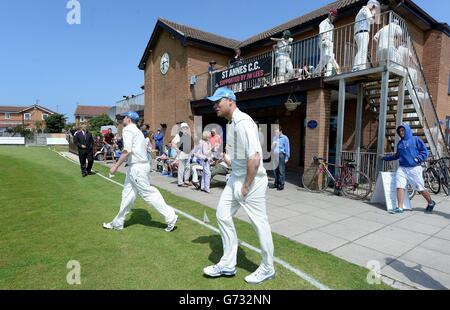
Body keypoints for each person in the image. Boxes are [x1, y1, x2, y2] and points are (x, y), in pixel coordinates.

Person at [203, 87, 275, 284]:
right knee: (222, 215)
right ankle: (227, 264)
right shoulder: (232, 123)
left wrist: (246, 185)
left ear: (230, 101)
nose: (215, 106)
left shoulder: (243, 122)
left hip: (250, 182)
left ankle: (268, 268)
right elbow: (242, 158)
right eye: (214, 102)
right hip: (236, 177)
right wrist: (228, 160)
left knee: (259, 224)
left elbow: (255, 157)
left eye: (218, 101)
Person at [103, 111, 178, 232]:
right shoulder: (137, 131)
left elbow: (127, 150)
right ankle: (117, 222)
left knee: (148, 193)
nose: (123, 119)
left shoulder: (128, 130)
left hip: (137, 168)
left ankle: (171, 217)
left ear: (129, 119)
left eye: (125, 117)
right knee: (127, 195)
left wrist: (115, 166)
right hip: (137, 167)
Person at [381, 124, 436, 214]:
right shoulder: (400, 143)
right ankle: (400, 208)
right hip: (402, 168)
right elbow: (397, 156)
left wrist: (417, 159)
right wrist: (385, 158)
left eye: (403, 130)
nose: (401, 132)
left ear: (407, 130)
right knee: (399, 186)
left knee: (420, 188)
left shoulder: (415, 139)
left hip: (414, 168)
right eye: (400, 131)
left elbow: (424, 151)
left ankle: (431, 203)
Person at [353, 0, 381, 71]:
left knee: (362, 50)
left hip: (359, 33)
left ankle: (360, 67)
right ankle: (357, 67)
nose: (373, 9)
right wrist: (373, 13)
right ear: (371, 5)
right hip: (363, 32)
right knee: (362, 50)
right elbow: (371, 20)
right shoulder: (365, 9)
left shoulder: (362, 10)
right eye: (374, 7)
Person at [315, 9, 340, 77]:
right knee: (325, 58)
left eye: (335, 16)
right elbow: (322, 32)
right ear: (330, 15)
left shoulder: (332, 25)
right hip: (324, 41)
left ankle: (328, 74)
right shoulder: (323, 22)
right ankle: (316, 72)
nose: (334, 18)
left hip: (330, 42)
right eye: (333, 16)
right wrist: (323, 41)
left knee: (330, 58)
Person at [172, 123, 193, 187]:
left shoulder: (188, 135)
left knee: (187, 168)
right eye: (184, 128)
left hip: (188, 153)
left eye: (186, 127)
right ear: (181, 128)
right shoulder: (178, 135)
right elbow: (173, 143)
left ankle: (186, 181)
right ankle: (180, 182)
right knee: (181, 168)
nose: (185, 129)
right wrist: (177, 149)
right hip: (182, 153)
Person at [270, 126, 290, 191]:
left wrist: (287, 158)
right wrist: (272, 145)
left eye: (277, 131)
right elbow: (272, 148)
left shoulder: (285, 138)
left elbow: (287, 148)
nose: (275, 133)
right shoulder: (274, 138)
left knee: (281, 170)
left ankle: (281, 184)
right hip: (274, 155)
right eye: (275, 131)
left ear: (280, 131)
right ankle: (276, 183)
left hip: (281, 155)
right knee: (275, 170)